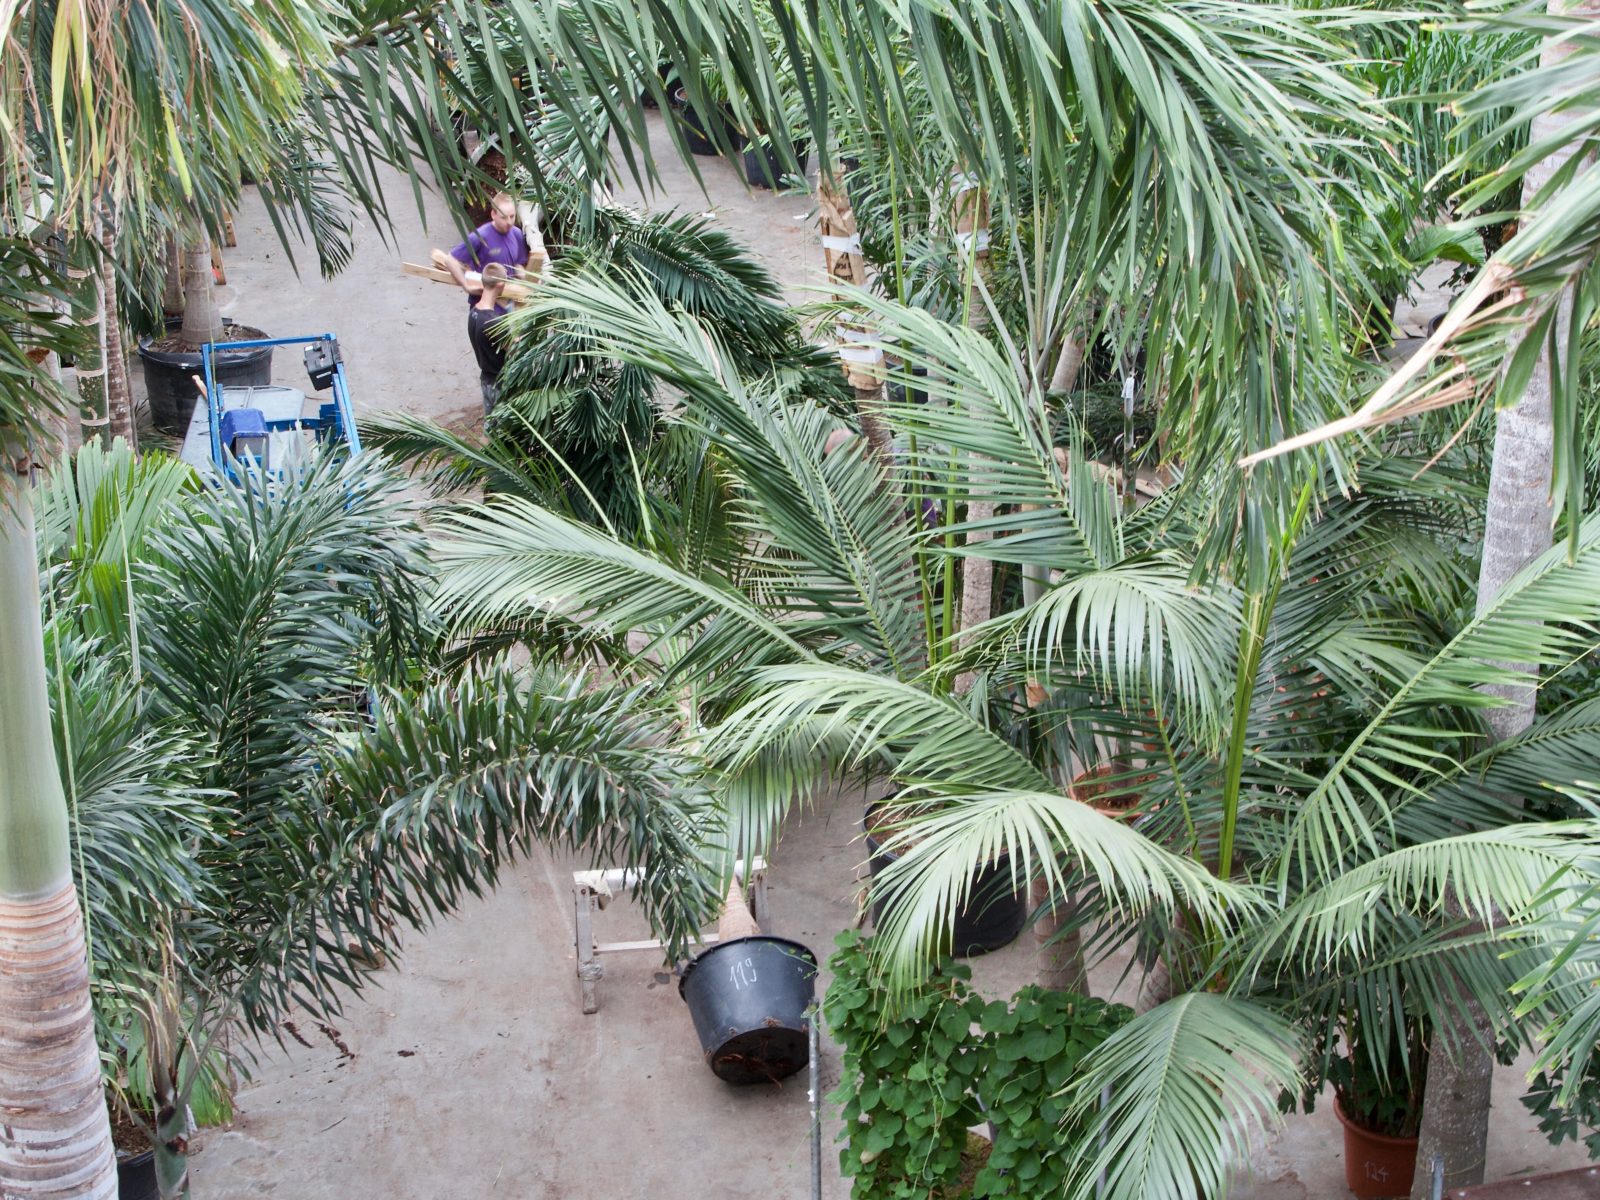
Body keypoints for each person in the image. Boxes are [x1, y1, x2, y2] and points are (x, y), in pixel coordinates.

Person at [443, 191, 528, 313]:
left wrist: (526, 278)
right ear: (493, 214)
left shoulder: (517, 234)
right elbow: (449, 259)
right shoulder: (480, 236)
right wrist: (466, 286)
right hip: (484, 306)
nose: (509, 222)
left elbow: (518, 263)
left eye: (512, 216)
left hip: (507, 302)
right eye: (504, 217)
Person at [467, 263, 511, 416]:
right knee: (503, 431)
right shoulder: (493, 323)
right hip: (499, 383)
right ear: (500, 284)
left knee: (490, 427)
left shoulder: (474, 312)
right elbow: (514, 349)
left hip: (486, 379)